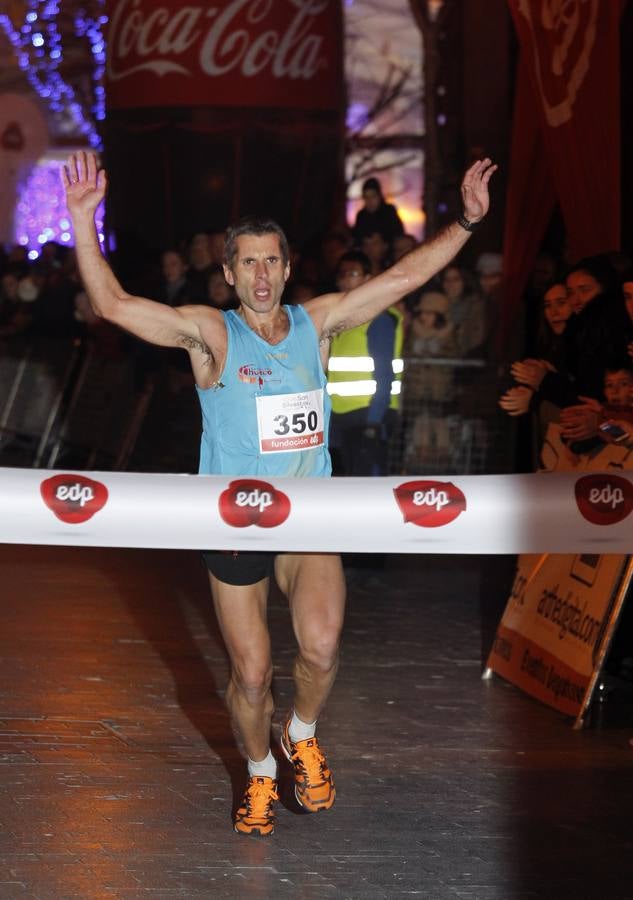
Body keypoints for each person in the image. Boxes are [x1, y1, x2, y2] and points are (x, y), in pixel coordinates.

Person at [62, 150, 496, 837]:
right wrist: (84, 219)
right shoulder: (210, 334)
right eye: (248, 264)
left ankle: (301, 734)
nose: (261, 275)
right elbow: (114, 306)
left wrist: (467, 224)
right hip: (233, 526)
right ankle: (261, 774)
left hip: (308, 516)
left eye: (273, 261)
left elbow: (403, 276)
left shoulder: (314, 323)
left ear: (287, 269)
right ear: (228, 273)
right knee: (253, 674)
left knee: (320, 648)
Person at [327, 250, 403, 476]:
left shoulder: (379, 318)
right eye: (341, 274)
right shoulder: (340, 319)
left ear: (369, 279)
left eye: (353, 273)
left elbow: (384, 373)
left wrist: (374, 421)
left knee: (369, 486)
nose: (345, 279)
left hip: (368, 415)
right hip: (340, 415)